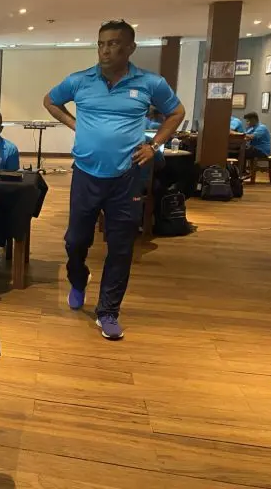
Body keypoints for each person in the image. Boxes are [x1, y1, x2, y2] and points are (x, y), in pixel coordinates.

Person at [43, 20, 185, 340]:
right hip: (86, 174)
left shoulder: (150, 83)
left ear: (130, 48)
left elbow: (176, 112)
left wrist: (154, 145)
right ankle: (78, 279)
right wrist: (75, 124)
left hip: (126, 176)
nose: (106, 50)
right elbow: (50, 100)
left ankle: (108, 311)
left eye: (114, 43)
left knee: (121, 247)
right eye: (101, 43)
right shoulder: (79, 80)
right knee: (75, 241)